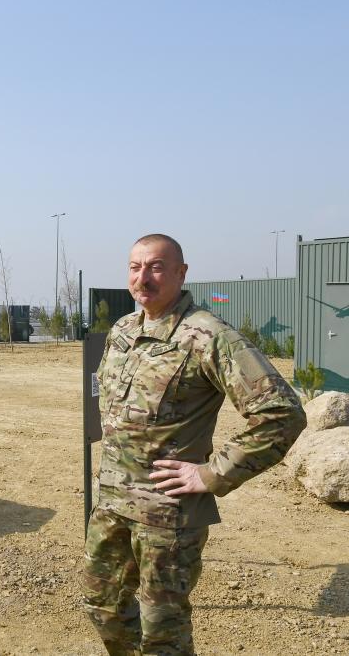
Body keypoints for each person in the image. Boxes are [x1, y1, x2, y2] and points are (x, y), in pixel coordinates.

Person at [82, 234, 306, 655]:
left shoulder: (207, 335)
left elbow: (281, 414)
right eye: (135, 267)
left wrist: (212, 473)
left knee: (162, 630)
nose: (143, 277)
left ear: (181, 273)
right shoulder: (123, 330)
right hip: (111, 504)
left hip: (166, 516)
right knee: (102, 606)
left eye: (155, 266)